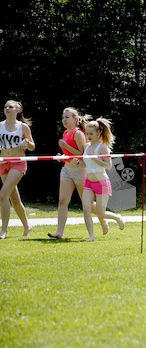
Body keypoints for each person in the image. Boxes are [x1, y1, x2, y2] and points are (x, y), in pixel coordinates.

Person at [48, 108, 124, 239]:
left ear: (75, 119)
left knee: (89, 204)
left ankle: (104, 219)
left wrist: (66, 147)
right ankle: (61, 232)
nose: (64, 120)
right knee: (65, 201)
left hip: (84, 173)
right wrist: (63, 157)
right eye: (63, 117)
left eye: (67, 117)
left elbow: (83, 156)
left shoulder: (79, 134)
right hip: (68, 169)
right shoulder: (66, 133)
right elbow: (79, 156)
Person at [0, 100, 34, 239]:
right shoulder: (0, 126)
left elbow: (32, 146)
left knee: (3, 194)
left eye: (11, 107)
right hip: (3, 162)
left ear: (18, 110)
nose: (7, 108)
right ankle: (27, 225)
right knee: (14, 199)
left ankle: (4, 230)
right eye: (6, 106)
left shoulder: (23, 127)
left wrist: (27, 142)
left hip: (18, 163)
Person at [81, 118, 118, 242]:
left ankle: (117, 218)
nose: (88, 136)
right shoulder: (86, 146)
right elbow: (86, 163)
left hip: (101, 182)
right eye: (87, 134)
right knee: (86, 208)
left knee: (101, 214)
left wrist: (95, 158)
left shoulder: (102, 147)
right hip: (89, 181)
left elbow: (108, 165)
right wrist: (78, 161)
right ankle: (91, 235)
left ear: (98, 133)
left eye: (91, 134)